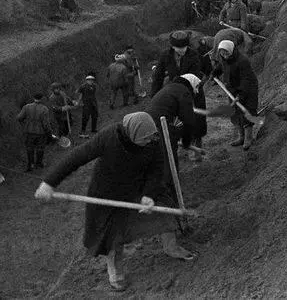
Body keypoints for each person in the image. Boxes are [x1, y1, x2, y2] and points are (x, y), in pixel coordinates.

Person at [34, 112, 165, 291]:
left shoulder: (153, 140)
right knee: (112, 235)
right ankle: (115, 270)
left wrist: (149, 194)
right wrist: (49, 182)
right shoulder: (109, 137)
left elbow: (157, 168)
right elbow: (76, 157)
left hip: (135, 189)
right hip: (105, 192)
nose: (149, 142)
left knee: (155, 214)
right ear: (132, 134)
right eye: (144, 139)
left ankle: (169, 246)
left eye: (150, 139)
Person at [147, 75, 200, 259]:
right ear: (192, 86)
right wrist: (185, 141)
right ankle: (173, 225)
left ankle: (174, 218)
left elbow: (174, 122)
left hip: (151, 132)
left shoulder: (169, 89)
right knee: (168, 178)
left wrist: (176, 132)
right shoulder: (183, 92)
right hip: (160, 137)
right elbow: (189, 120)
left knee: (166, 175)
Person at [151, 31, 207, 149]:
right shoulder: (165, 55)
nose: (181, 50)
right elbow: (158, 76)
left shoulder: (194, 55)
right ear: (172, 46)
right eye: (178, 48)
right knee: (181, 116)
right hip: (176, 90)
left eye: (184, 47)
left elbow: (195, 75)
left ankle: (198, 139)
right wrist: (154, 95)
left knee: (197, 116)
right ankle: (185, 139)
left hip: (193, 88)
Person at [213, 40, 259, 152]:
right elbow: (220, 67)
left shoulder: (242, 61)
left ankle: (249, 138)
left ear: (232, 51)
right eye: (222, 53)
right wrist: (214, 73)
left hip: (248, 89)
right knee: (236, 112)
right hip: (232, 89)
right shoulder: (223, 59)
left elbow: (246, 79)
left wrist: (241, 95)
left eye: (226, 53)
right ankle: (241, 137)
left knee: (247, 111)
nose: (224, 55)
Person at [16, 93, 53, 171]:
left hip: (28, 131)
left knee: (30, 149)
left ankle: (30, 165)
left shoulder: (26, 107)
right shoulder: (44, 109)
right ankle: (39, 164)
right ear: (42, 98)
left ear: (33, 98)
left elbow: (19, 118)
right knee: (40, 148)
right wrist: (49, 133)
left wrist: (24, 124)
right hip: (41, 133)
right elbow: (46, 124)